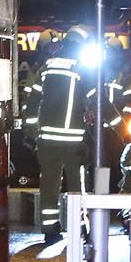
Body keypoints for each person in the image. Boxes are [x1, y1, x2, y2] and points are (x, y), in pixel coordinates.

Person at [34, 25, 94, 245]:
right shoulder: (82, 68)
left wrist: (31, 130)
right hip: (72, 140)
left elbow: (33, 99)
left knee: (49, 183)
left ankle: (50, 230)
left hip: (47, 139)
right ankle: (80, 228)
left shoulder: (48, 66)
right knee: (76, 186)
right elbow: (97, 98)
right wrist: (116, 127)